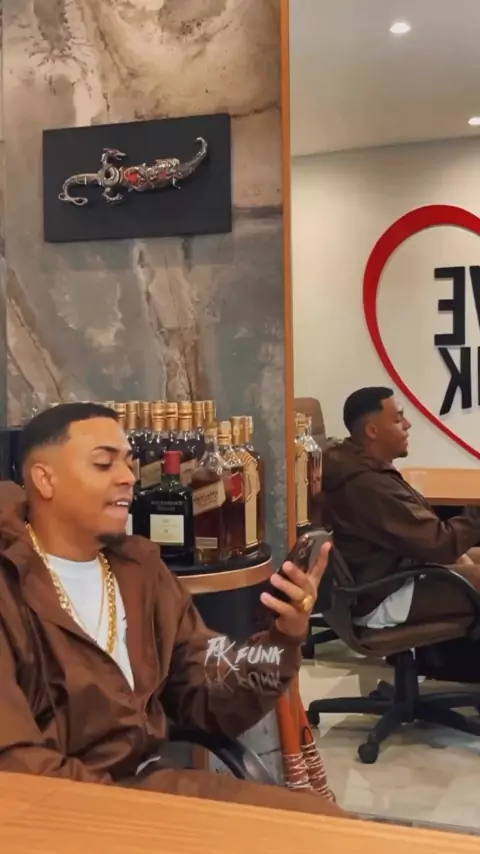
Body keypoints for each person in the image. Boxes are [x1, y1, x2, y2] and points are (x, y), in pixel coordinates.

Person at [0, 402, 344, 818]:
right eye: (104, 464)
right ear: (44, 479)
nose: (128, 477)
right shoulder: (11, 585)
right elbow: (17, 764)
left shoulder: (138, 570)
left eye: (128, 461)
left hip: (152, 789)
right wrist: (133, 811)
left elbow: (210, 695)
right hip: (60, 813)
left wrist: (284, 636)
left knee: (331, 828)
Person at [322, 386, 480, 629]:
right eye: (398, 419)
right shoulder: (367, 485)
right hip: (382, 594)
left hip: (396, 569)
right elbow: (442, 545)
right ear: (372, 431)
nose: (408, 424)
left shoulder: (361, 465)